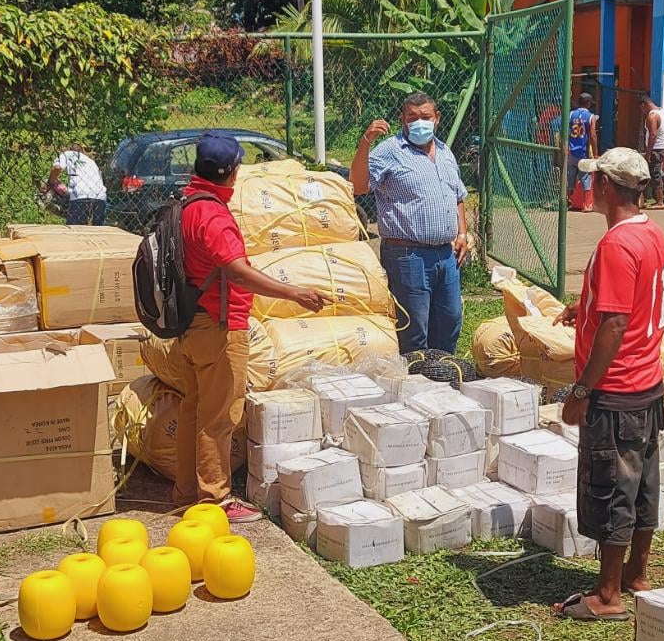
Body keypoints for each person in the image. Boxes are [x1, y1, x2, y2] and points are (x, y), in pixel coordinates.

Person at [176, 133, 328, 521]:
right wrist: (294, 293)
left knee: (195, 409)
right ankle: (216, 500)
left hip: (193, 324)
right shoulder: (212, 215)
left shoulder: (188, 202)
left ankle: (187, 491)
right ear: (230, 172)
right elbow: (237, 273)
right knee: (220, 416)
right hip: (218, 327)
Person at [548, 147, 664, 622]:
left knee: (611, 488)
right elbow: (631, 301)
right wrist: (588, 309)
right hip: (647, 385)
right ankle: (636, 575)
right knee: (642, 484)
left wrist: (581, 391)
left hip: (617, 391)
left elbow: (617, 324)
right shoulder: (651, 233)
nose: (587, 187)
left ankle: (608, 595)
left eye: (593, 180)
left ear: (605, 187)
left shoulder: (617, 245)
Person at [353, 91, 468, 354]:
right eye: (412, 117)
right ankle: (416, 381)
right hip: (408, 255)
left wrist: (462, 233)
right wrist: (366, 142)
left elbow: (458, 196)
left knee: (450, 321)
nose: (419, 122)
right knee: (414, 328)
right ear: (402, 119)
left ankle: (442, 375)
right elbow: (359, 186)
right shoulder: (389, 151)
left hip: (446, 255)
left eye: (425, 117)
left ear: (437, 118)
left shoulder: (444, 151)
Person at [45, 145, 108, 226]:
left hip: (80, 194)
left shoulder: (67, 154)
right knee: (99, 230)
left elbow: (57, 167)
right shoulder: (91, 161)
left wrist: (49, 182)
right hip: (100, 195)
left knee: (75, 229)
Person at [564, 93, 600, 209]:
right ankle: (586, 204)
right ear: (588, 104)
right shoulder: (591, 117)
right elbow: (593, 135)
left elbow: (565, 131)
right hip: (583, 152)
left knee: (571, 178)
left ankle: (567, 200)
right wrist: (595, 153)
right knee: (585, 177)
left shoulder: (570, 115)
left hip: (571, 151)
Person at [640, 95, 664, 209]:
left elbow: (653, 135)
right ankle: (644, 200)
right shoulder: (662, 112)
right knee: (649, 174)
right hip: (662, 148)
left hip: (655, 149)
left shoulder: (652, 116)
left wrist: (648, 153)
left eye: (642, 109)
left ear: (644, 105)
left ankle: (660, 202)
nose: (642, 112)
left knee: (655, 174)